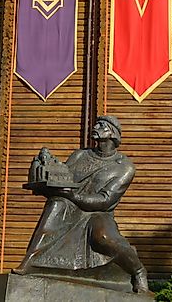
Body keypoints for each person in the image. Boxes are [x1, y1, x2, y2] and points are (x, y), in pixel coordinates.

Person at [16, 116, 149, 293]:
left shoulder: (124, 167)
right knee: (56, 205)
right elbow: (63, 178)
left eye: (102, 125)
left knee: (104, 238)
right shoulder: (80, 155)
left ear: (113, 133)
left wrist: (73, 195)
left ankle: (138, 270)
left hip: (98, 213)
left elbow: (105, 200)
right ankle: (30, 262)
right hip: (71, 206)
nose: (95, 126)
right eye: (96, 123)